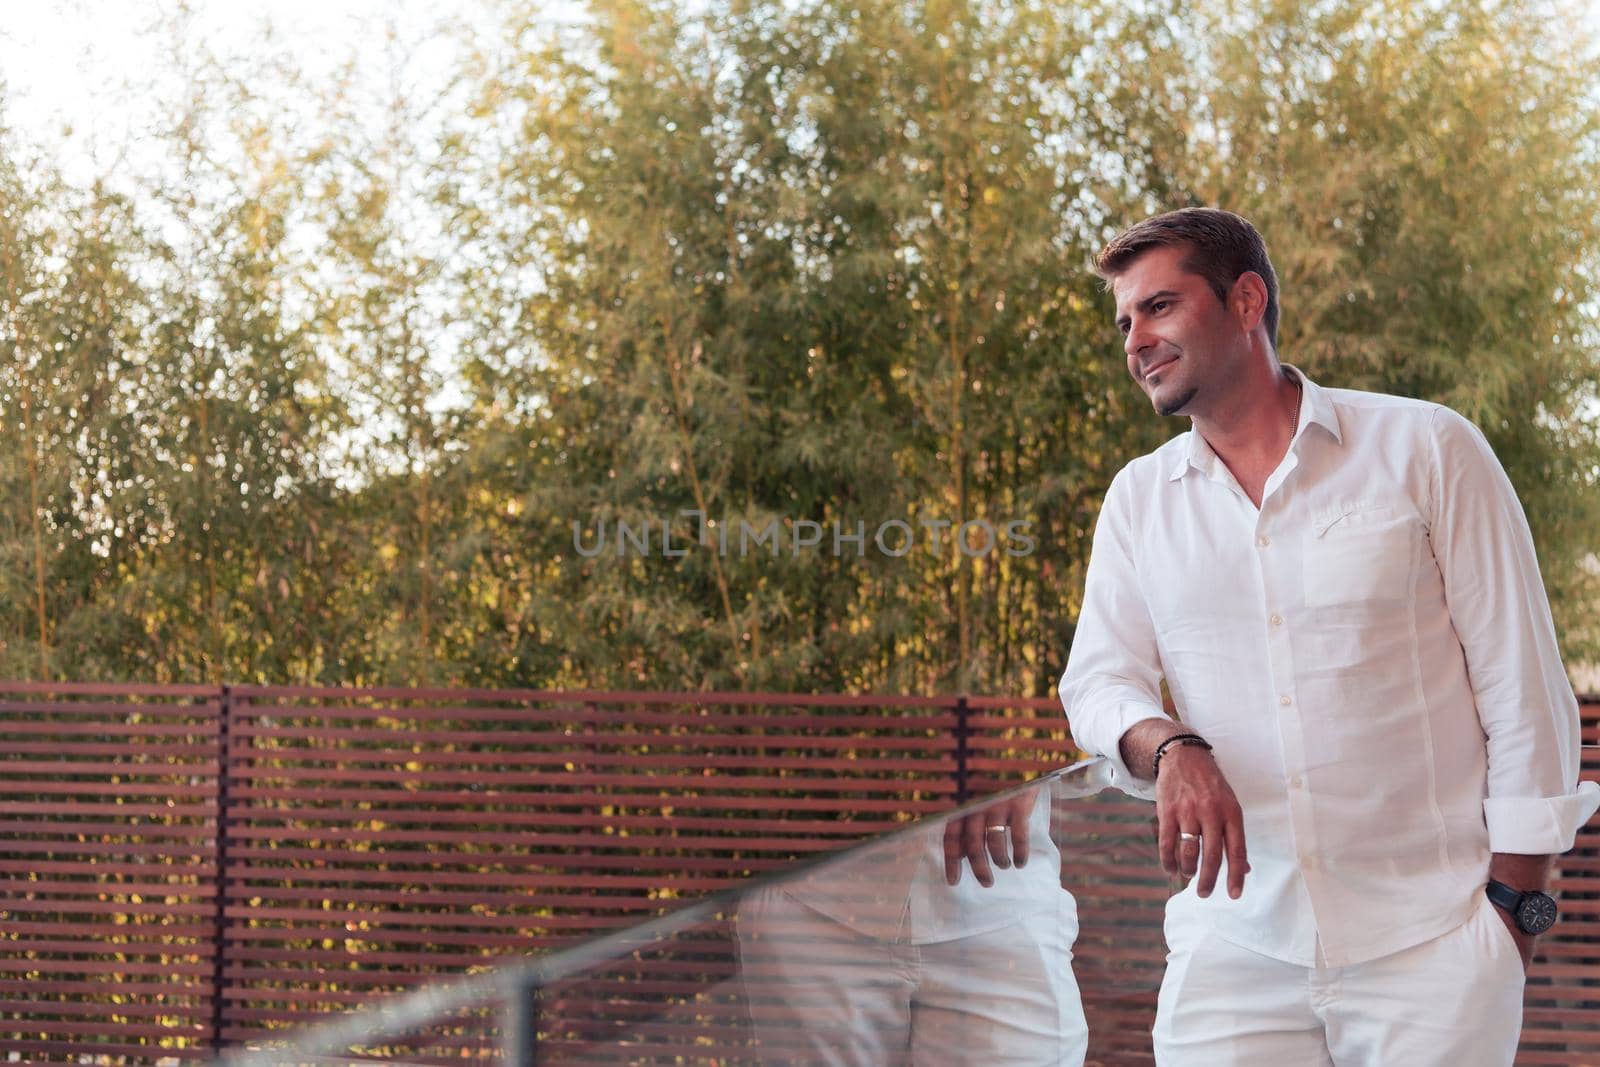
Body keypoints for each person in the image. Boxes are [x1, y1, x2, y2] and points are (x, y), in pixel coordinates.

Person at [1056, 207, 1599, 1065]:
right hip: (1232, 949)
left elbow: (1523, 690)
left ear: (1245, 300)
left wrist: (1511, 919)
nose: (1135, 340)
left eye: (1158, 307)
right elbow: (1095, 682)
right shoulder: (1139, 500)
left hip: (1433, 948)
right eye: (1125, 322)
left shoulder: (1427, 448)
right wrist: (1170, 745)